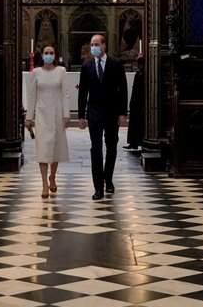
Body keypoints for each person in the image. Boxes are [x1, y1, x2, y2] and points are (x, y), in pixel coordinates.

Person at [78, 34, 128, 200]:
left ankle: (108, 178)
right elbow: (83, 92)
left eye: (96, 44)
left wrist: (123, 113)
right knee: (96, 148)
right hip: (94, 113)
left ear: (104, 46)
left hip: (112, 112)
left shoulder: (116, 64)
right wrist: (81, 116)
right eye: (92, 44)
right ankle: (98, 187)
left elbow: (123, 89)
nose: (94, 47)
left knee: (112, 146)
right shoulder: (86, 66)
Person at [24, 44, 72, 199]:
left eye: (51, 52)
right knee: (43, 150)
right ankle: (44, 183)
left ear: (55, 55)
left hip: (57, 115)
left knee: (55, 149)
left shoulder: (61, 71)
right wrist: (29, 117)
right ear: (42, 55)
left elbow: (65, 94)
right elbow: (31, 97)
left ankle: (53, 177)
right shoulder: (36, 73)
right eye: (46, 53)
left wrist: (66, 115)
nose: (49, 55)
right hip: (42, 116)